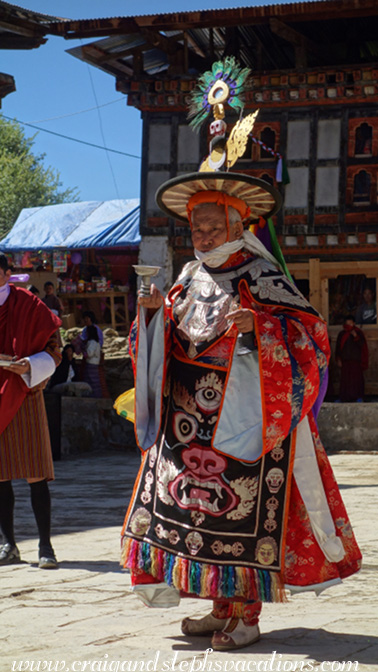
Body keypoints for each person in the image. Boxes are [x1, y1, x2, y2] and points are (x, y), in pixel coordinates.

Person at [120, 59, 361, 652]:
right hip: (188, 422)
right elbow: (164, 340)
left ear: (237, 220)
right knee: (195, 516)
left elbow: (309, 337)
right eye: (195, 226)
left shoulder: (263, 275)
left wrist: (257, 327)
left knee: (240, 517)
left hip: (244, 419)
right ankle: (215, 606)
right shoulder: (186, 277)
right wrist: (151, 314)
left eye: (210, 224)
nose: (200, 235)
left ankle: (245, 613)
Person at [0, 253, 61, 569]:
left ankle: (45, 546)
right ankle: (8, 544)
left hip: (25, 391)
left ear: (7, 273)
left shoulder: (29, 305)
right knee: (0, 477)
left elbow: (54, 348)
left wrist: (31, 365)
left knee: (35, 475)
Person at [335, 315, 368, 402]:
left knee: (356, 381)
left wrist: (356, 336)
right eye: (347, 323)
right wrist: (338, 359)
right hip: (345, 361)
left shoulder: (358, 332)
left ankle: (358, 397)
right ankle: (344, 398)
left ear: (354, 323)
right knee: (345, 381)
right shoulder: (342, 334)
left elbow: (363, 346)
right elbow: (338, 347)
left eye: (351, 323)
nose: (349, 325)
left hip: (356, 361)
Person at [81, 325, 108, 398]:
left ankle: (94, 397)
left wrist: (83, 351)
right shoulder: (97, 343)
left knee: (91, 381)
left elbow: (89, 354)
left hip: (91, 364)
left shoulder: (91, 342)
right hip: (95, 363)